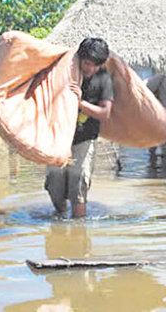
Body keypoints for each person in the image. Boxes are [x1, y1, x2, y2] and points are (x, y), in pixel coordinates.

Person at [44, 38, 113, 218]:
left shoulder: (103, 78)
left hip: (85, 138)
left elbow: (105, 113)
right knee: (54, 185)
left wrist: (80, 102)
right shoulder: (64, 72)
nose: (90, 68)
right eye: (87, 63)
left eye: (95, 65)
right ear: (80, 59)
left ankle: (79, 233)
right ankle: (60, 220)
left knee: (78, 185)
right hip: (58, 138)